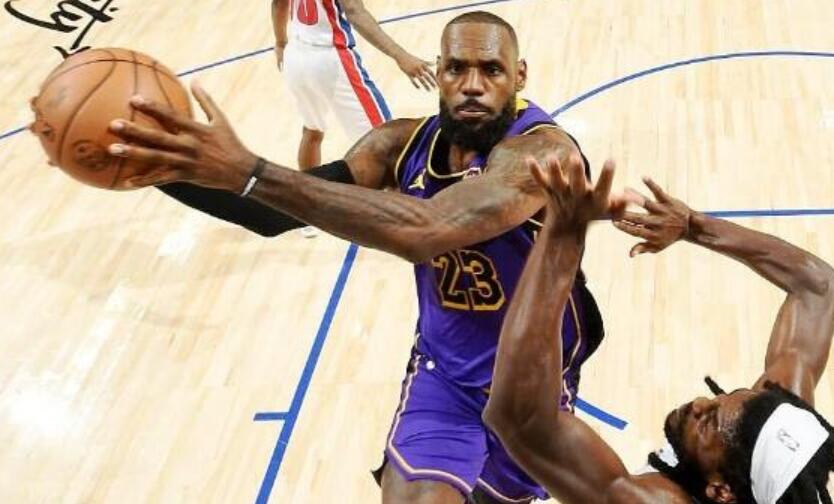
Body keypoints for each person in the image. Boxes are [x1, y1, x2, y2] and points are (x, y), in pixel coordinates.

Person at [108, 11, 605, 503]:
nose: (472, 85)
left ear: (519, 76)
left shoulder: (543, 154)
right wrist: (158, 164)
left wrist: (249, 170)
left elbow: (428, 229)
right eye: (456, 68)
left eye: (491, 70)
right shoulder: (400, 144)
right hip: (443, 372)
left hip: (528, 387)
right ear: (439, 71)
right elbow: (273, 212)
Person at [482, 154, 834, 504]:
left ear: (721, 490)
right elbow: (818, 287)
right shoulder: (779, 435)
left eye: (708, 422)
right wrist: (693, 226)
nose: (701, 402)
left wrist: (563, 235)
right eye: (721, 398)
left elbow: (518, 418)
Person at [272, 0, 435, 237]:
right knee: (391, 145)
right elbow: (355, 12)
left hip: (296, 57)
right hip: (331, 60)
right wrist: (401, 56)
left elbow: (279, 3)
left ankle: (306, 217)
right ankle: (414, 224)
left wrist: (280, 42)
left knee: (312, 131)